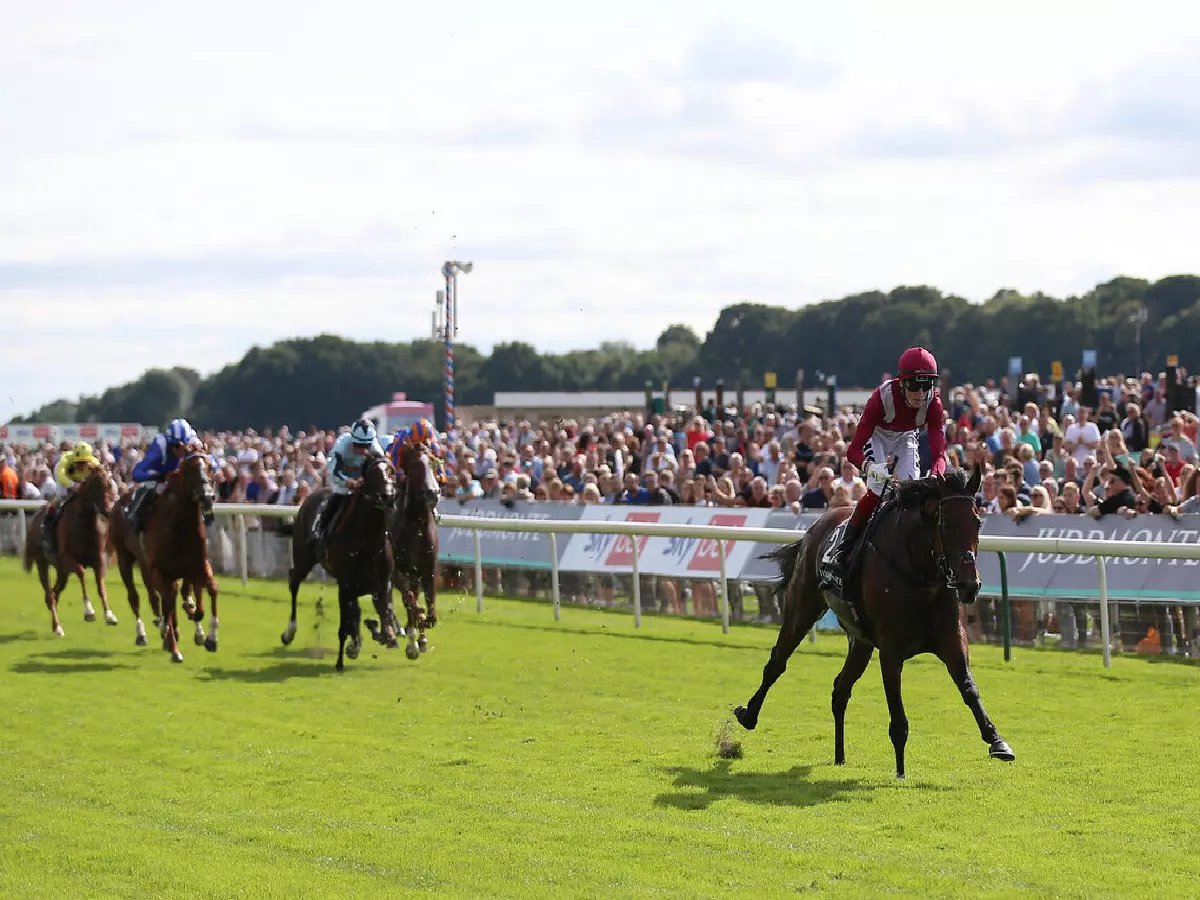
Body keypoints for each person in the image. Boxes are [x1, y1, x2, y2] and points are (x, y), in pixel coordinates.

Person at [823, 347, 947, 591]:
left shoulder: (934, 403)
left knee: (912, 491)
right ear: (901, 383)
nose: (921, 393)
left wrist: (936, 475)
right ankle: (841, 550)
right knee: (880, 487)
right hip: (877, 435)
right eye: (914, 385)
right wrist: (870, 468)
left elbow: (939, 455)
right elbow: (853, 451)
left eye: (926, 385)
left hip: (906, 436)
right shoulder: (881, 398)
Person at [312, 418, 385, 544]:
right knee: (340, 495)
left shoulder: (376, 449)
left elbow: (382, 470)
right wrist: (349, 482)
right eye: (359, 445)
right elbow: (335, 473)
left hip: (362, 478)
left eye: (366, 446)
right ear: (352, 440)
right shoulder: (341, 445)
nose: (363, 450)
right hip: (342, 478)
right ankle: (321, 528)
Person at [127, 418, 198, 533]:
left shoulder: (195, 444)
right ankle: (135, 518)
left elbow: (212, 466)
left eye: (181, 446)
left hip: (180, 479)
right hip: (161, 478)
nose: (177, 450)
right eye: (174, 445)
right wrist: (156, 477)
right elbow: (137, 473)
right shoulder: (160, 446)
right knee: (150, 487)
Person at [41, 441, 101, 556]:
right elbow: (61, 475)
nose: (81, 466)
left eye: (84, 463)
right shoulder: (65, 459)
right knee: (59, 500)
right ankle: (47, 530)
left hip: (82, 482)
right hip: (66, 480)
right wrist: (73, 485)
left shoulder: (95, 463)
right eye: (79, 463)